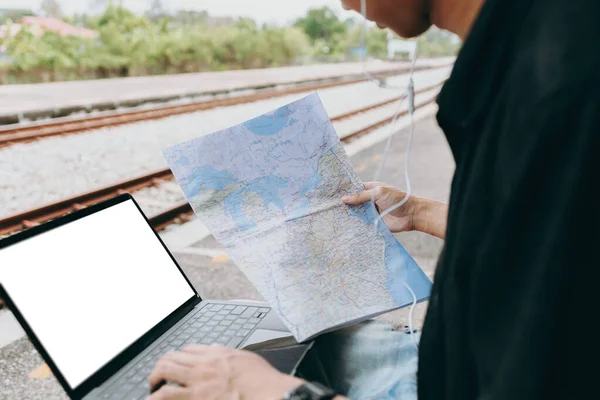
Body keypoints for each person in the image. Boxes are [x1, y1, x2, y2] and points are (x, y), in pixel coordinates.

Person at [147, 0, 600, 398]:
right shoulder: (537, 48)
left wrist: (270, 392)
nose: (346, 5)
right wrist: (419, 212)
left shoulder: (557, 94)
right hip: (456, 356)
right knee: (317, 342)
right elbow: (529, 237)